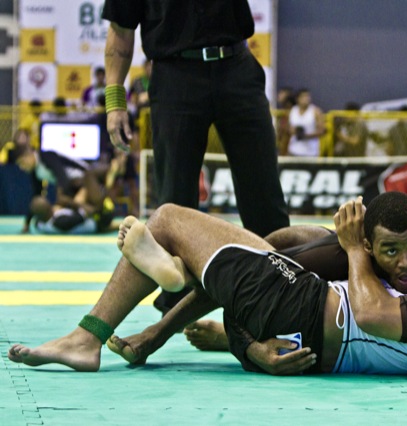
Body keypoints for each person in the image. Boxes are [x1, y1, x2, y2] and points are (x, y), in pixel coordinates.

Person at [8, 195, 407, 376]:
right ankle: (173, 296)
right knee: (282, 241)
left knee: (164, 219)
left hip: (308, 311)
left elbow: (373, 316)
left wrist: (355, 252)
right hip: (302, 314)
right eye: (389, 251)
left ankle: (107, 326)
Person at [101, 0, 290, 314]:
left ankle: (284, 290)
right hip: (175, 77)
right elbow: (120, 30)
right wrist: (114, 101)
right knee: (174, 200)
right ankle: (177, 303)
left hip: (237, 68)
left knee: (264, 196)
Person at [287, 88, 325, 157]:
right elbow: (289, 128)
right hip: (294, 149)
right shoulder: (293, 110)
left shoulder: (315, 111)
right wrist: (296, 131)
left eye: (307, 96)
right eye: (303, 97)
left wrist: (305, 135)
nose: (306, 99)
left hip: (310, 152)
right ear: (297, 99)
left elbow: (321, 131)